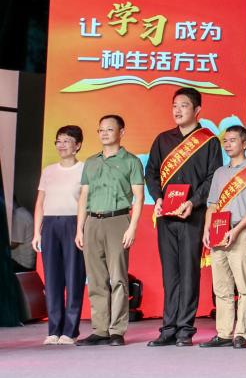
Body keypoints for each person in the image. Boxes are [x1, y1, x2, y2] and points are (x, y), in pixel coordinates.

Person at [144, 87, 224, 347]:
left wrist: (193, 202)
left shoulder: (209, 141)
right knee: (170, 273)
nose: (177, 110)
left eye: (184, 105)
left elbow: (213, 177)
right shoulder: (162, 140)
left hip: (192, 215)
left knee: (189, 272)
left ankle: (185, 330)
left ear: (197, 110)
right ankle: (168, 328)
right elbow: (151, 173)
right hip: (166, 216)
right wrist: (157, 198)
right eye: (174, 105)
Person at [75, 115, 145, 346]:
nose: (104, 133)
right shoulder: (91, 162)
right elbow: (84, 197)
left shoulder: (131, 161)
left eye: (109, 129)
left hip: (118, 220)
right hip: (92, 222)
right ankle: (100, 329)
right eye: (101, 130)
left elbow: (139, 197)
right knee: (96, 279)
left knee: (118, 278)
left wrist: (132, 227)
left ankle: (117, 330)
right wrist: (79, 229)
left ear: (121, 132)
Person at [199, 125, 246, 349]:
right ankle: (224, 333)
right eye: (225, 141)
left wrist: (235, 231)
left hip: (240, 231)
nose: (228, 144)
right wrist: (207, 229)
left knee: (244, 287)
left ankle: (240, 334)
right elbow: (212, 204)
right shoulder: (219, 172)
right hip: (218, 232)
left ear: (245, 144)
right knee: (221, 287)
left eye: (233, 140)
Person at [32, 125, 86, 345]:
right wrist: (37, 232)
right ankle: (53, 329)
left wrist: (80, 229)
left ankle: (70, 331)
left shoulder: (84, 169)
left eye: (66, 141)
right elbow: (40, 203)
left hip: (73, 223)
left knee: (74, 277)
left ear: (77, 145)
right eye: (58, 141)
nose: (61, 145)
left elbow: (84, 202)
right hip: (50, 225)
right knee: (52, 280)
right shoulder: (48, 171)